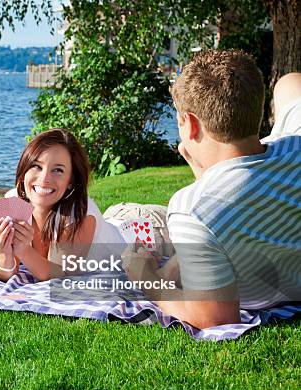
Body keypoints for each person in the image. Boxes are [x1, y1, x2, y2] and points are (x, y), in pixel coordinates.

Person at [123, 50, 301, 329]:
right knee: (290, 83)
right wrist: (207, 181)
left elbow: (214, 318)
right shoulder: (296, 142)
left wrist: (145, 277)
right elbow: (292, 83)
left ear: (191, 125)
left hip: (274, 289)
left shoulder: (192, 209)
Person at [0, 128, 128, 282]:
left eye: (58, 170)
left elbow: (59, 277)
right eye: (36, 166)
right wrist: (3, 252)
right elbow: (4, 276)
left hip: (135, 235)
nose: (44, 178)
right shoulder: (14, 202)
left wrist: (23, 249)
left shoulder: (81, 214)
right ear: (24, 170)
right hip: (112, 221)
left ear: (71, 181)